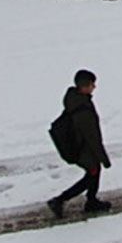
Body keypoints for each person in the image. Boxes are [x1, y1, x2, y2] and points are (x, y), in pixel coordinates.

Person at [48, 69, 112, 218]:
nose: (94, 87)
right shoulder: (82, 108)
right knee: (91, 174)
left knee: (94, 172)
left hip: (79, 146)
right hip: (83, 149)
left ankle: (91, 201)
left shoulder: (75, 99)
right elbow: (91, 136)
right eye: (92, 84)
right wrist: (103, 158)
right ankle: (60, 200)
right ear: (84, 86)